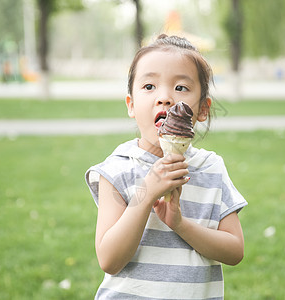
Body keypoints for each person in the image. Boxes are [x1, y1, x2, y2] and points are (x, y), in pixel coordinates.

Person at [85, 34, 247, 299]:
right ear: (131, 105)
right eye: (149, 86)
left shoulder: (211, 169)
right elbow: (109, 259)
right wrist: (147, 193)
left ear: (203, 109)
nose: (164, 97)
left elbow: (235, 251)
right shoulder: (117, 169)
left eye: (181, 88)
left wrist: (181, 225)